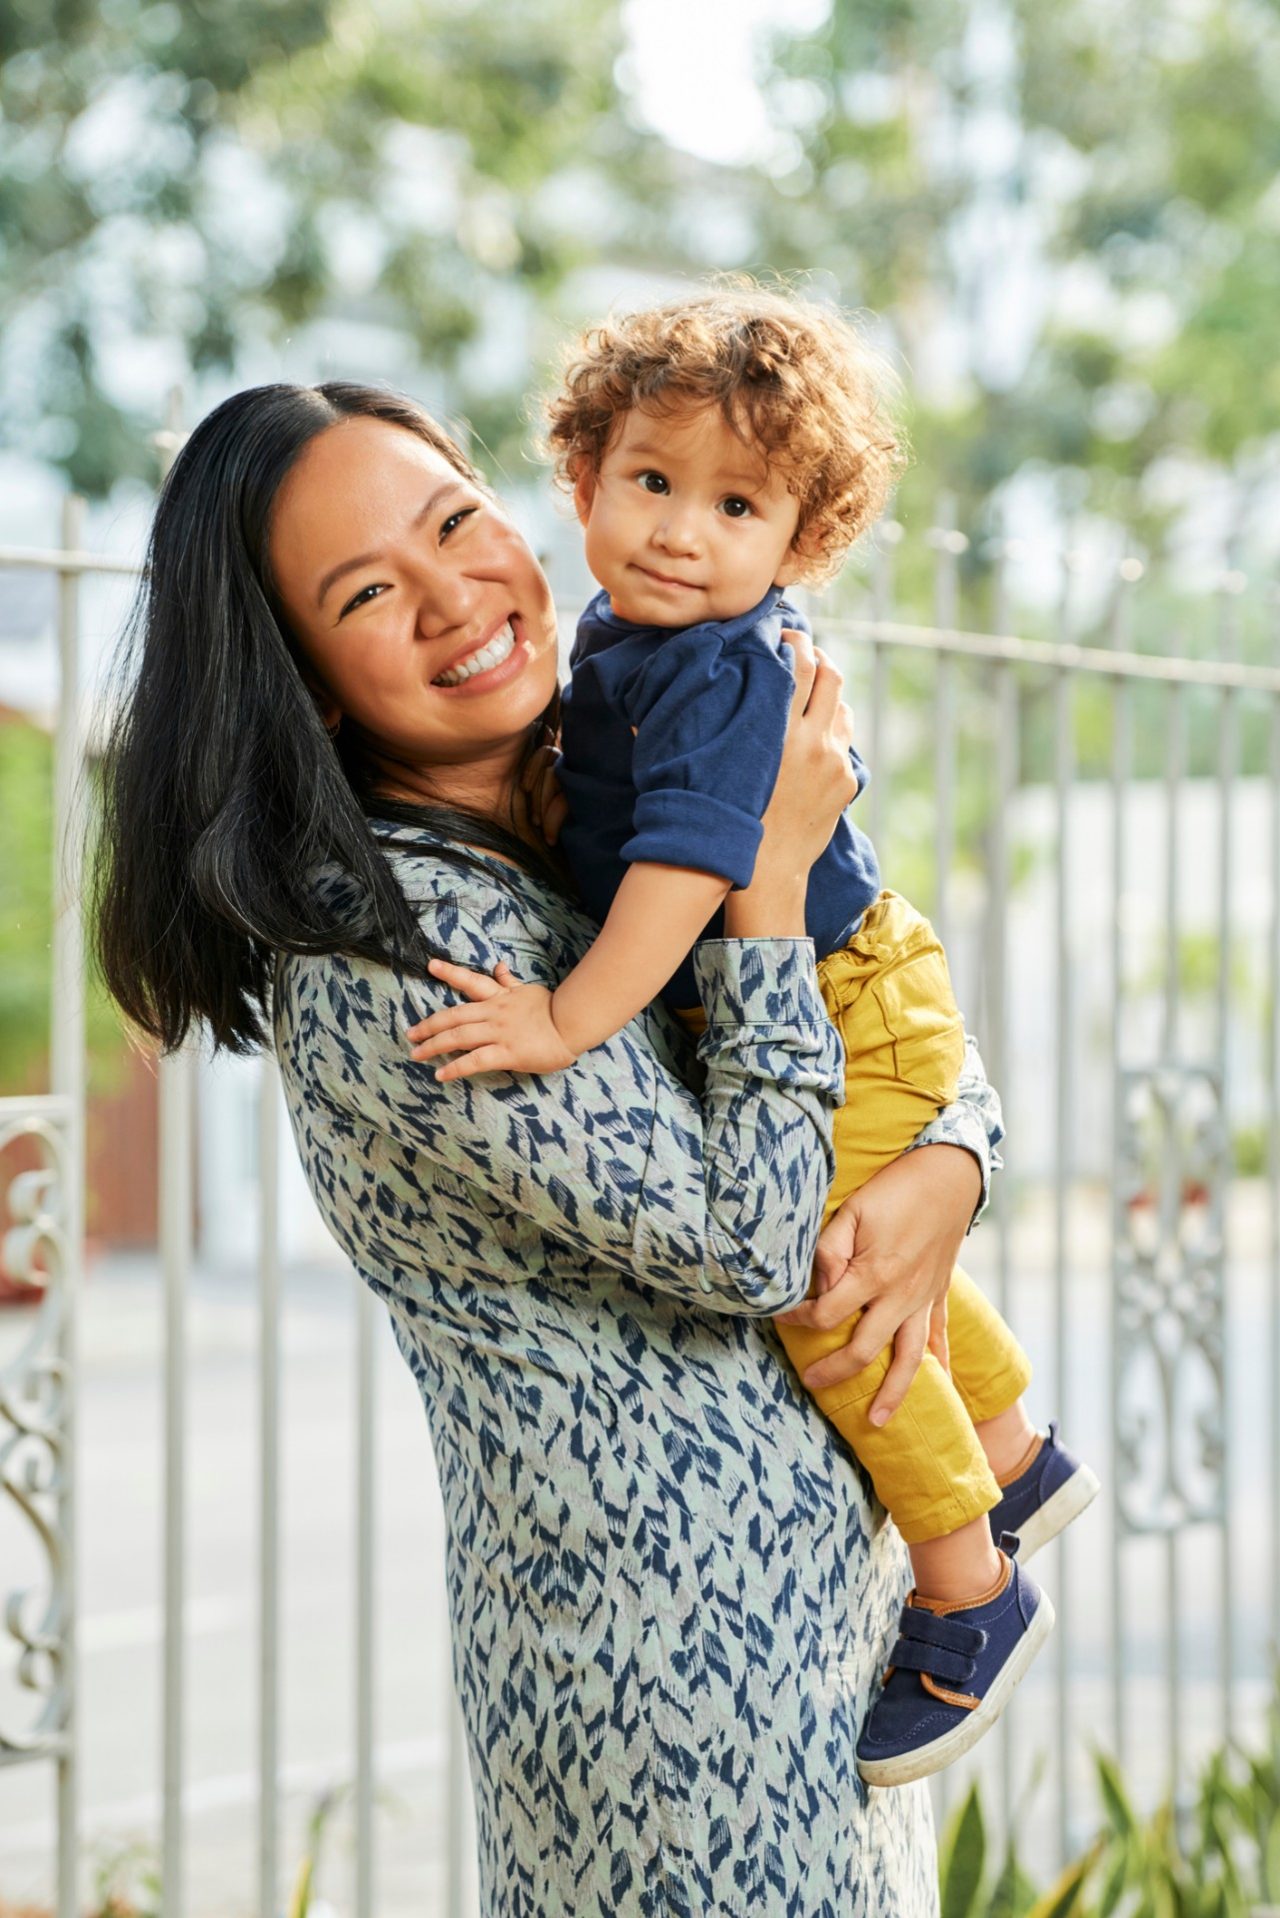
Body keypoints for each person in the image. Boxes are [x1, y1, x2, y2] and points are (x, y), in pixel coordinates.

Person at [95, 380, 1005, 1912]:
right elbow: (749, 1238)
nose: (459, 598)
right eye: (372, 592)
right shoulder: (404, 951)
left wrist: (954, 1158)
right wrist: (768, 882)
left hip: (810, 1647)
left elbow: (885, 1008)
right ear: (307, 683)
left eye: (457, 523)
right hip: (671, 1680)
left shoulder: (603, 808)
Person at [413, 287, 1099, 1787]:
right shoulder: (623, 631)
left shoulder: (726, 668)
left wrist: (563, 1013)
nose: (680, 530)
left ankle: (968, 1583)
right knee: (867, 1237)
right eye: (653, 481)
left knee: (823, 1276)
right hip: (845, 986)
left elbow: (684, 880)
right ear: (581, 477)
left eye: (737, 506)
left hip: (853, 1000)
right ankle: (1012, 1448)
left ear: (798, 547)